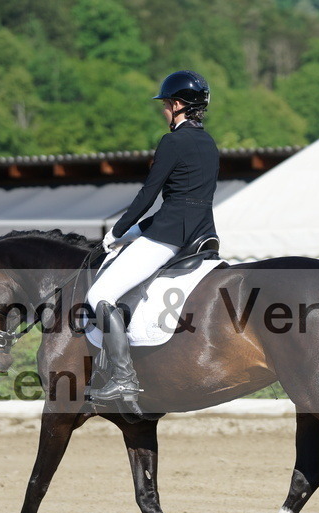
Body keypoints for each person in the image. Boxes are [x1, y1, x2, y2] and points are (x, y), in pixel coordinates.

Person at [86, 70, 219, 408]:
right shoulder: (208, 143)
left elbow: (149, 194)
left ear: (177, 104)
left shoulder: (172, 142)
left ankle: (123, 380)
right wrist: (136, 231)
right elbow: (186, 200)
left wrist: (118, 229)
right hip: (201, 232)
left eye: (165, 104)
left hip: (169, 236)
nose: (163, 110)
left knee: (99, 294)